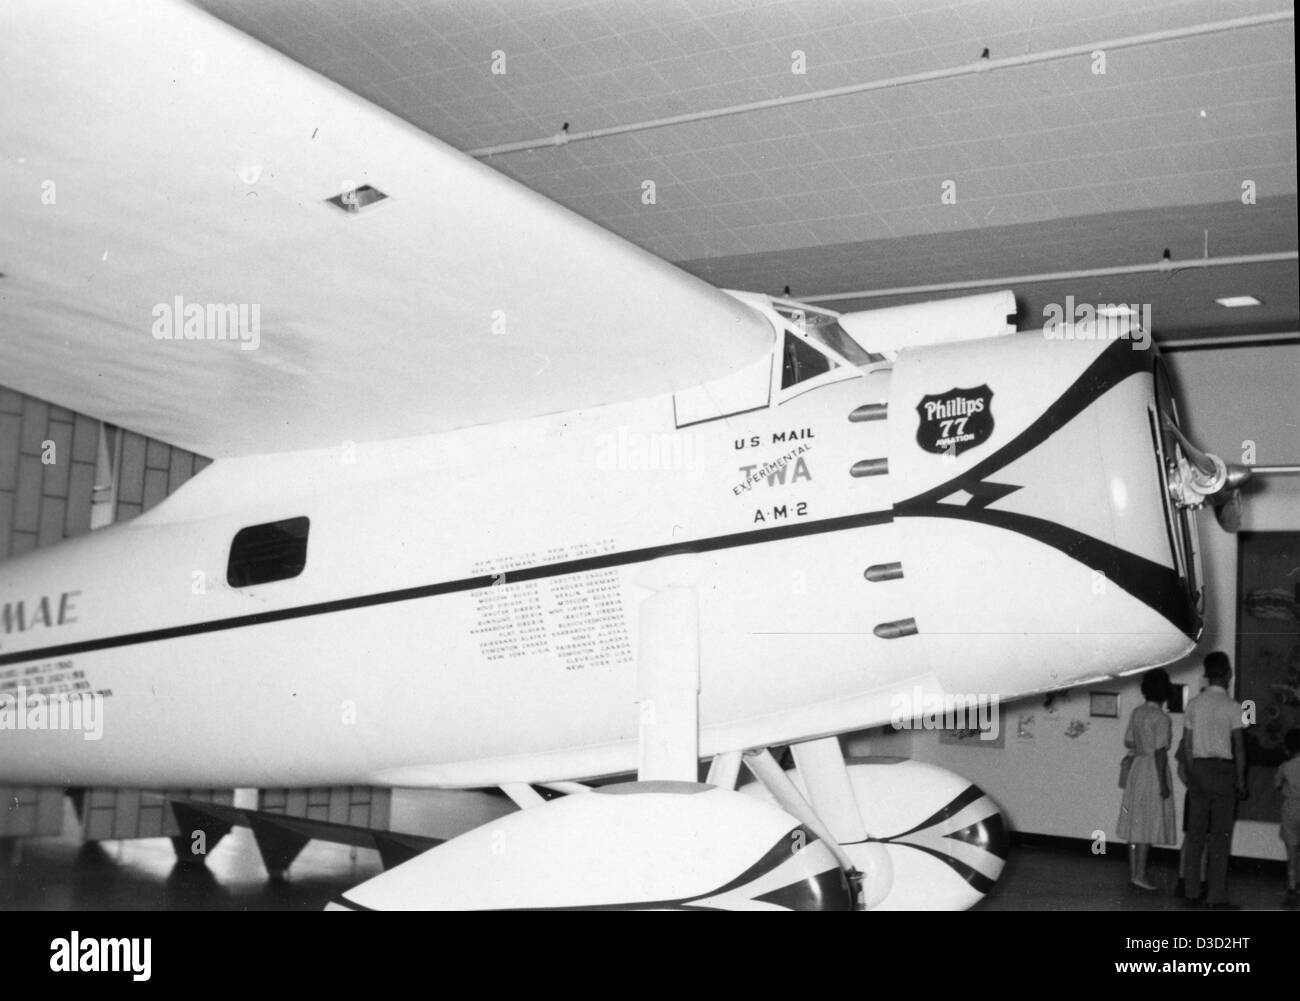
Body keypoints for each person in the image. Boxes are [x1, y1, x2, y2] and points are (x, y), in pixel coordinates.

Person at [1179, 651, 1246, 908]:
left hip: (1199, 770)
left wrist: (1192, 773)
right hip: (1224, 772)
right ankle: (1216, 897)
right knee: (1220, 838)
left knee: (1195, 836)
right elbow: (1239, 748)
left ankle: (1191, 892)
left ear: (1206, 675)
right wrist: (1240, 781)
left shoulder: (1194, 704)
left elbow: (1186, 745)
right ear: (1228, 674)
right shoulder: (1233, 707)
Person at [1117, 668, 1175, 890]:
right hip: (1152, 770)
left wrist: (1143, 746)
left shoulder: (1137, 712)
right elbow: (1161, 752)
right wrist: (1163, 784)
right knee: (1148, 822)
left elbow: (1129, 742)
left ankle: (1134, 873)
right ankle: (1139, 875)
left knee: (1136, 822)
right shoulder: (1161, 718)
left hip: (1138, 767)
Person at [1277, 728, 1300, 909]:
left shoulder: (1285, 766)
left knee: (1291, 854)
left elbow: (1277, 784)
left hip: (1291, 808)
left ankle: (1292, 889)